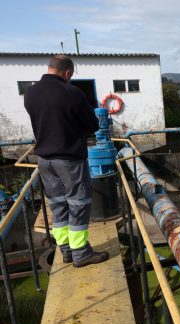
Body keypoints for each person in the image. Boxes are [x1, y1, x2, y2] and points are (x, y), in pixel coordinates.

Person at [24, 55, 109, 268]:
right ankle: (81, 253)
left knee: (57, 204)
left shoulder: (30, 93)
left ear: (50, 68)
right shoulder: (71, 93)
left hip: (44, 160)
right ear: (67, 73)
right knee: (79, 202)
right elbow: (92, 125)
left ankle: (66, 250)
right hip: (69, 159)